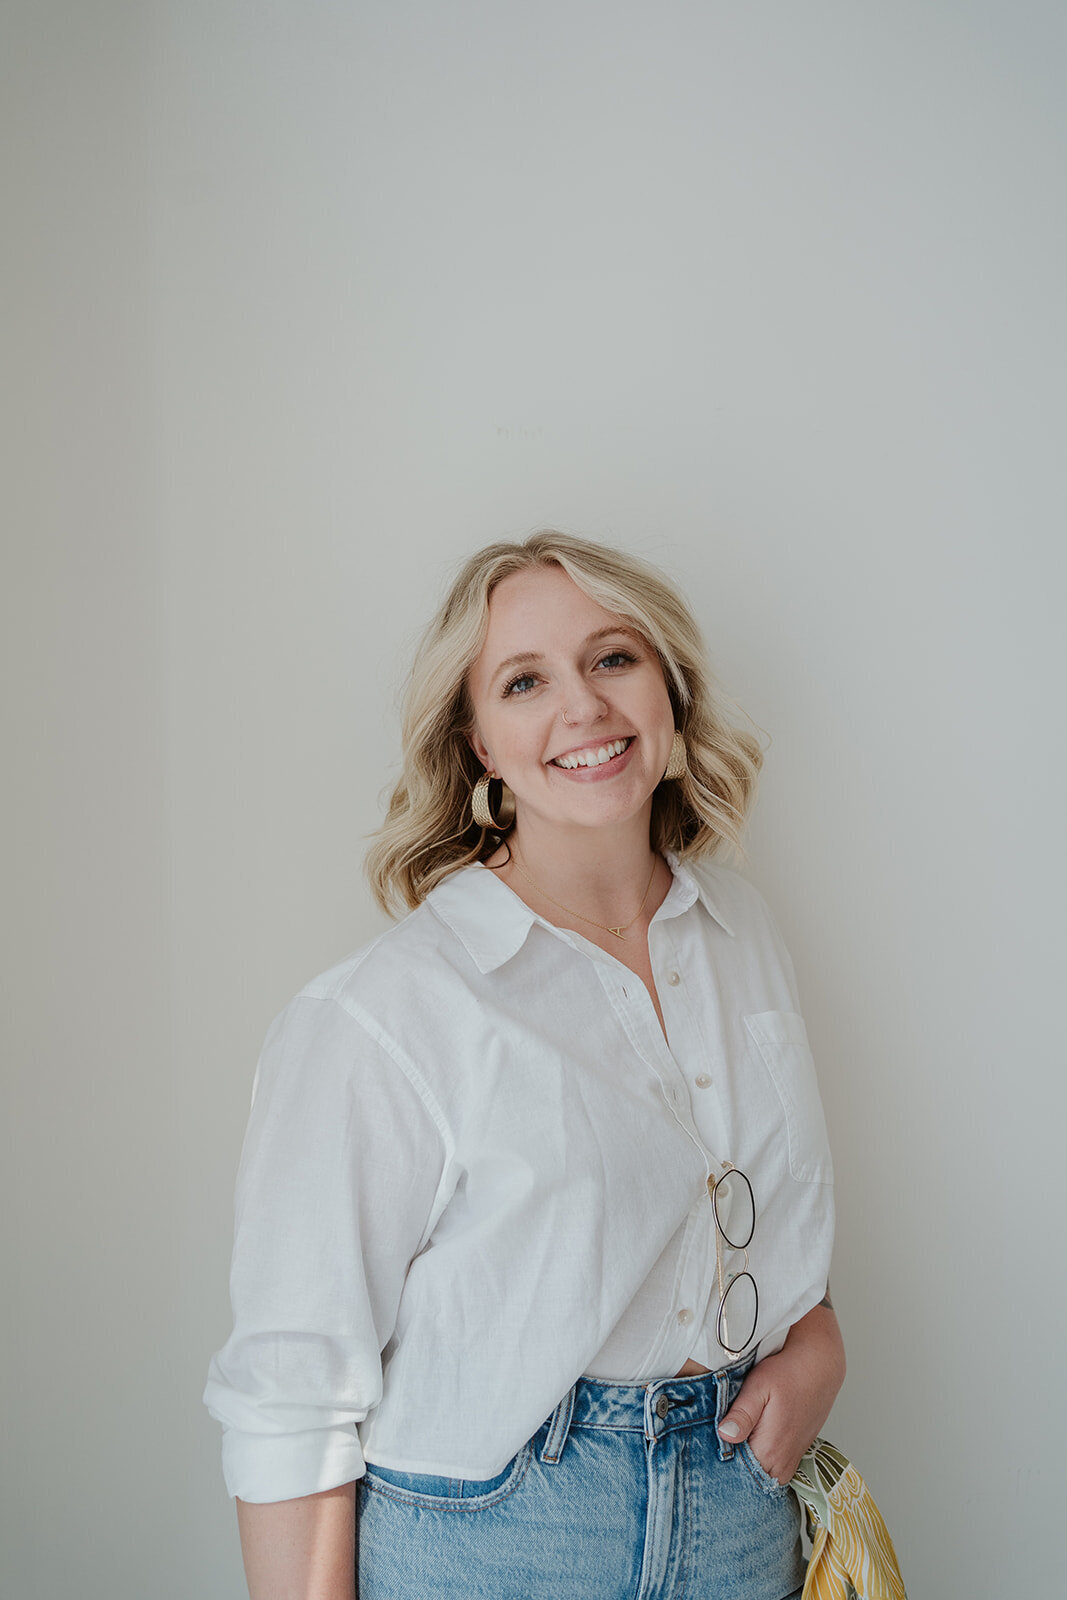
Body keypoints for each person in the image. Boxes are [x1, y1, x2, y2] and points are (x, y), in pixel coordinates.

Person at [204, 530, 845, 1600]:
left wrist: (816, 1340)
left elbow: (770, 1206)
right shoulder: (382, 1013)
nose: (582, 707)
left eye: (612, 659)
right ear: (479, 746)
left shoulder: (741, 930)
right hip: (497, 1535)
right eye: (523, 680)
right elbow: (291, 1393)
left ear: (668, 689)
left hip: (740, 1508)